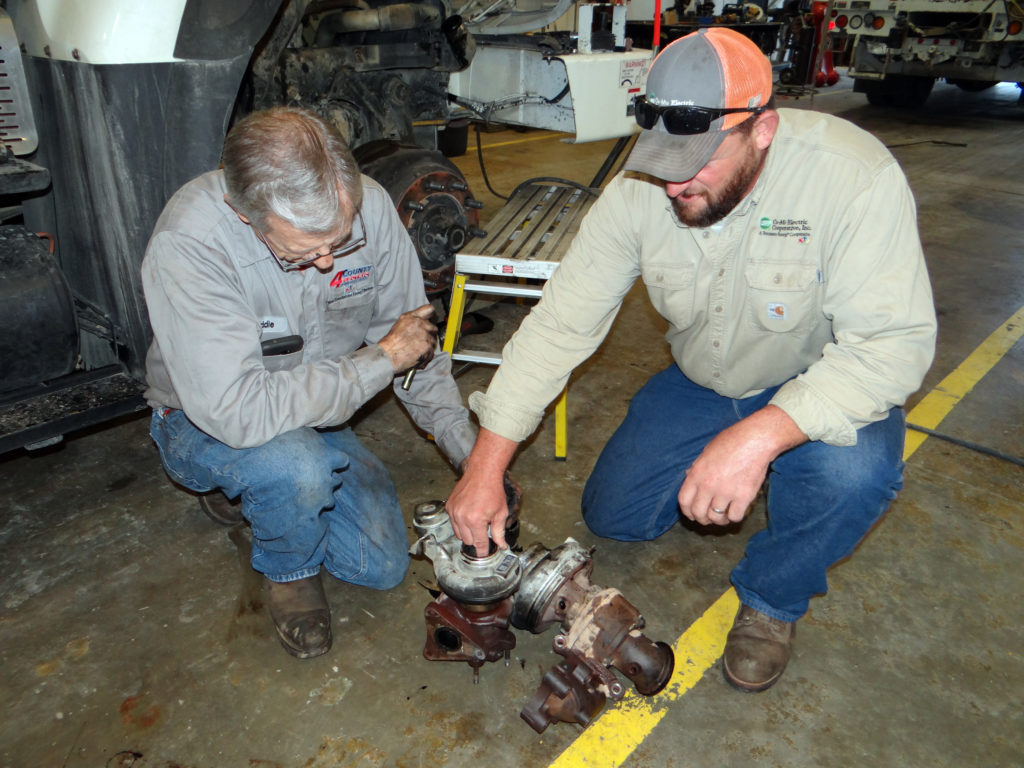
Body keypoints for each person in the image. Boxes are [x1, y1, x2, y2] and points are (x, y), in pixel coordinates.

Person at [445, 28, 936, 692]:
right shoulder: (641, 190)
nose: (674, 180)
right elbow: (561, 323)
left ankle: (772, 599)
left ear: (761, 129)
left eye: (698, 159)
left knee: (853, 475)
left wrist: (758, 438)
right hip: (707, 383)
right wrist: (486, 463)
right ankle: (735, 462)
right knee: (613, 515)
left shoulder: (853, 178)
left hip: (822, 382)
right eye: (663, 155)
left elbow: (892, 348)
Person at [142, 107, 476, 659]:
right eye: (302, 253)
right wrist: (378, 361)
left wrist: (471, 456)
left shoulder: (367, 209)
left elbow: (413, 346)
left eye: (338, 243)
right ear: (243, 212)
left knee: (382, 566)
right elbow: (237, 411)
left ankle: (259, 496)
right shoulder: (192, 242)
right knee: (294, 468)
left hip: (315, 409)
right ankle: (287, 567)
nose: (326, 262)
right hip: (208, 421)